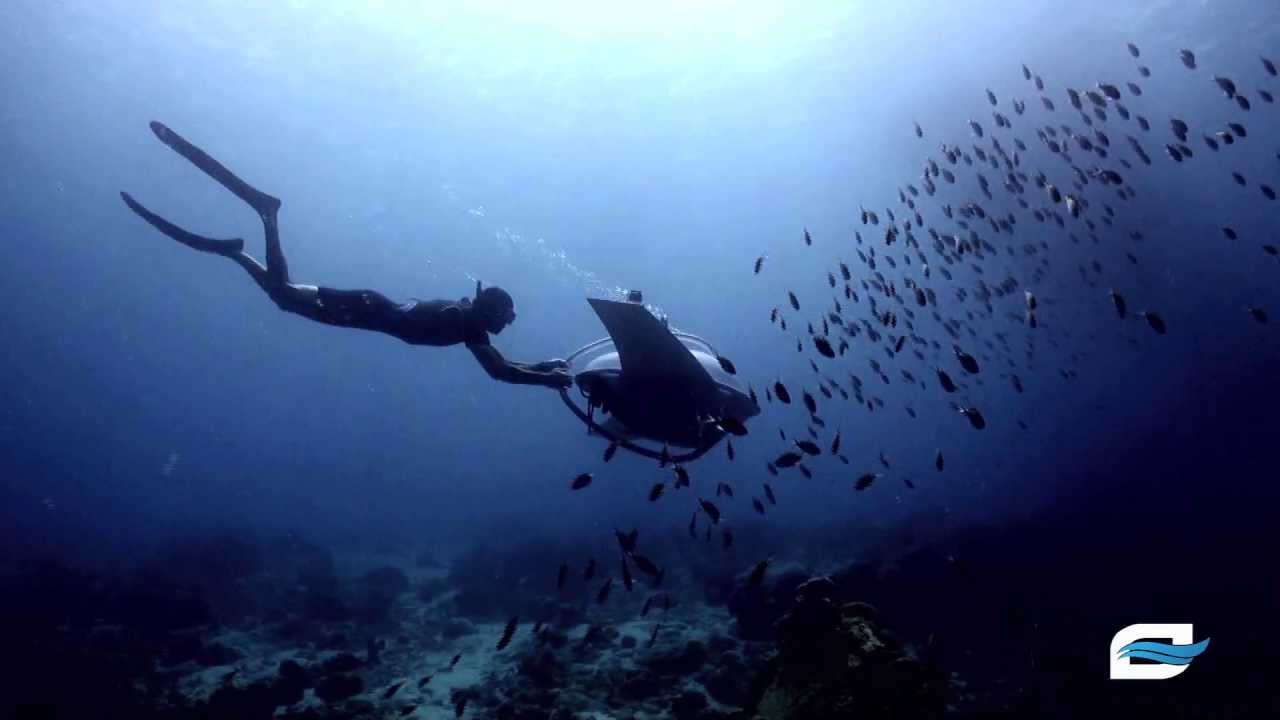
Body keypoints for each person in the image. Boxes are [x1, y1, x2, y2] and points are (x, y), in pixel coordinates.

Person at [120, 121, 572, 389]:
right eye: (507, 316)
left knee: (282, 299)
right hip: (365, 310)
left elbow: (505, 365)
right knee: (284, 294)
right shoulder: (466, 323)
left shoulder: (468, 322)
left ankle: (236, 255)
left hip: (366, 308)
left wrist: (543, 367)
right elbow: (499, 373)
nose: (508, 323)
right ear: (491, 311)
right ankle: (267, 214)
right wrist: (548, 380)